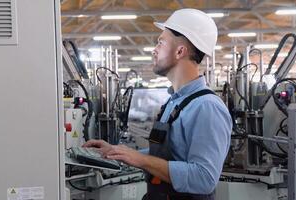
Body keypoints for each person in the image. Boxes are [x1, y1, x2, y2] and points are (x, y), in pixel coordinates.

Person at [83, 8, 232, 200]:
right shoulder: (174, 102)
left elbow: (204, 178)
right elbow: (167, 155)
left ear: (180, 51)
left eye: (161, 42)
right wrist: (119, 153)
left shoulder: (207, 106)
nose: (154, 49)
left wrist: (141, 159)